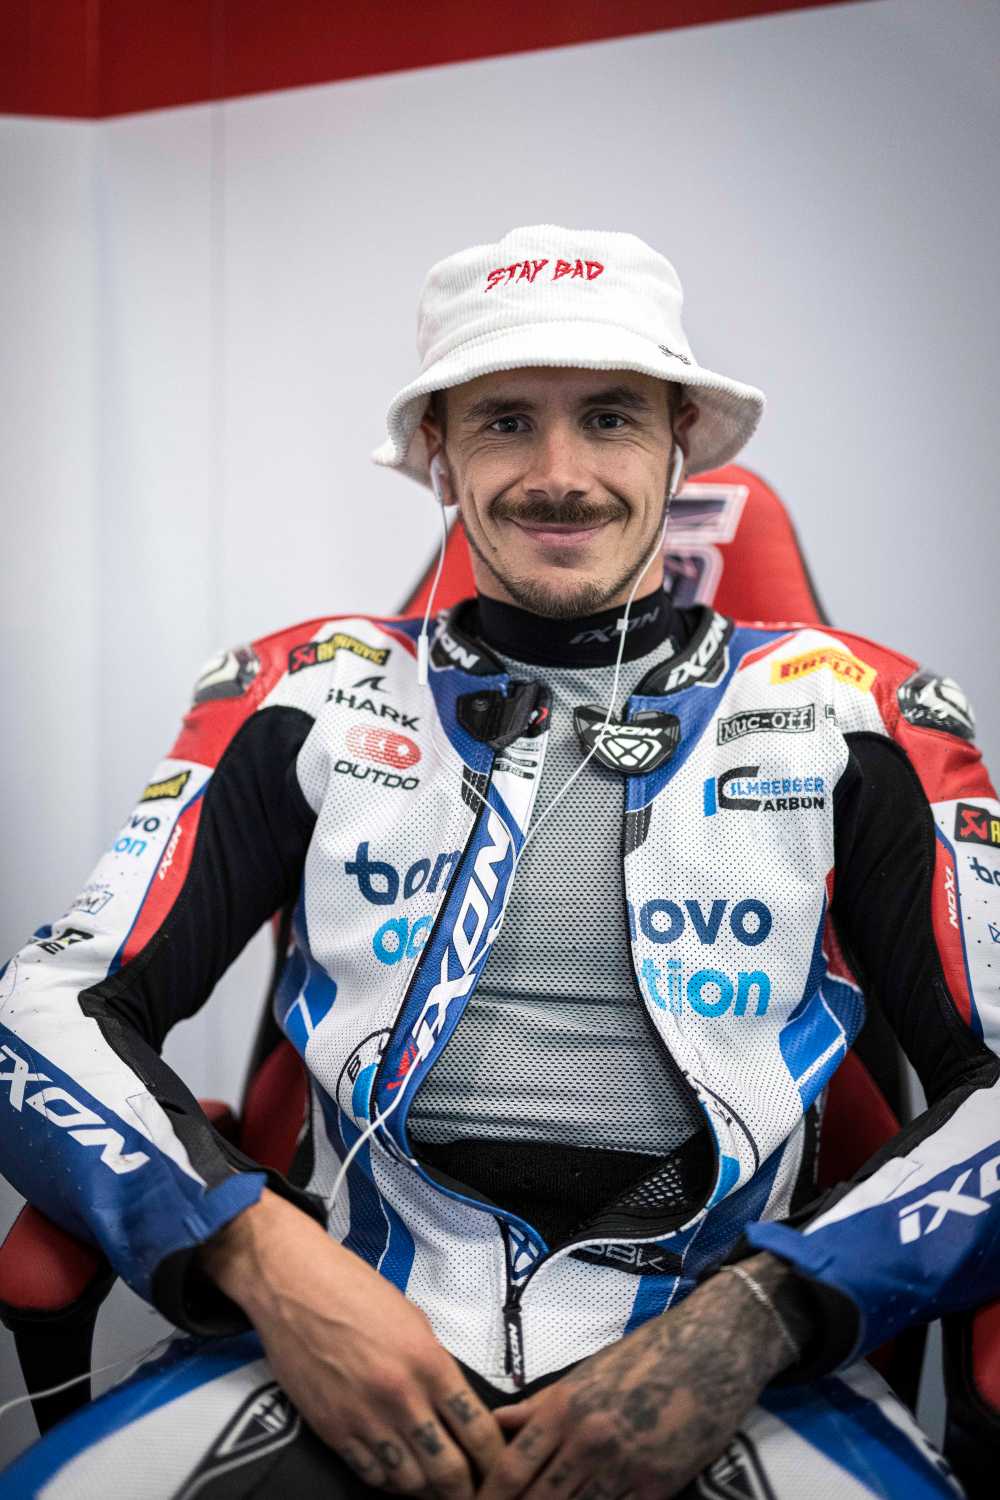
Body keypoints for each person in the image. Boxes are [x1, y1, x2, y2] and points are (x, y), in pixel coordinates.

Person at [1, 225, 997, 1500]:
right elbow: (46, 1004)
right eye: (505, 422)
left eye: (611, 417)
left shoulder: (860, 711)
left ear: (680, 438)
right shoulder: (305, 693)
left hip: (739, 1353)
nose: (560, 475)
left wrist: (768, 1313)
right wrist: (257, 1253)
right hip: (338, 1333)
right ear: (436, 450)